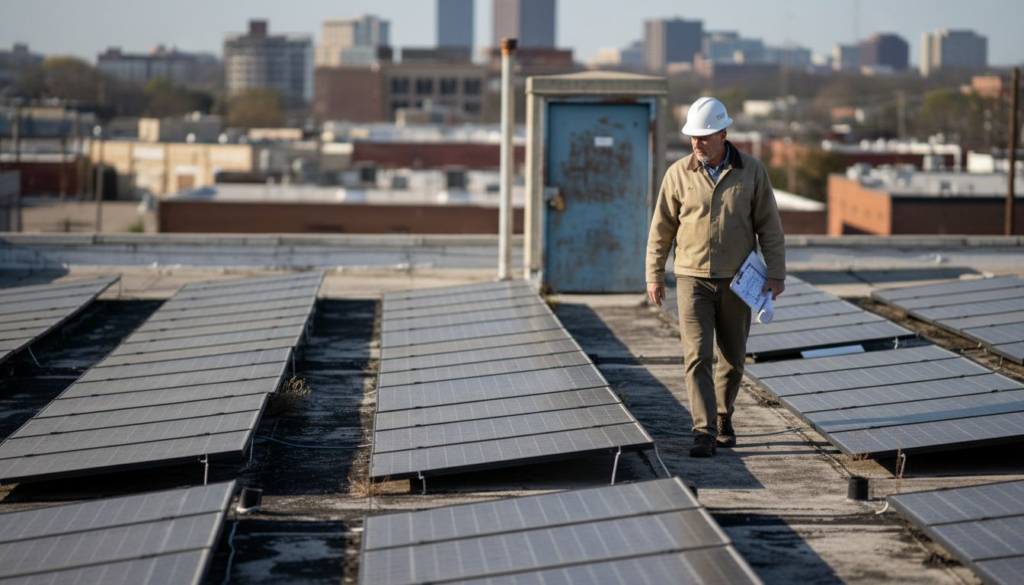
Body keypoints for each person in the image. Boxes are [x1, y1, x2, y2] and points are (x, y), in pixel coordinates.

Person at [645, 96, 786, 458]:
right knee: (696, 356)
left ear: (724, 134)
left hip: (738, 281)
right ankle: (703, 431)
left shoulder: (752, 172)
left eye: (704, 136)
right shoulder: (678, 174)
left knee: (734, 358)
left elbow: (770, 227)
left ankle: (724, 415)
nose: (697, 143)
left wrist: (776, 273)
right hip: (692, 279)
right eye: (693, 136)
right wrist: (654, 274)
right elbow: (661, 229)